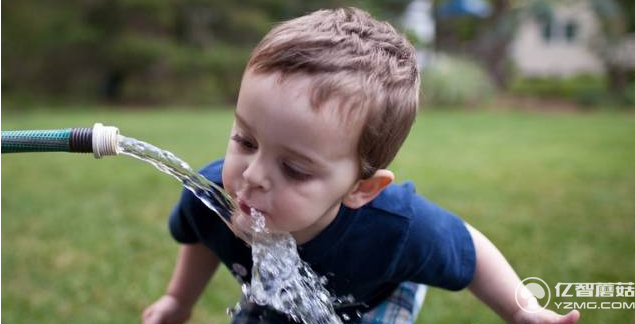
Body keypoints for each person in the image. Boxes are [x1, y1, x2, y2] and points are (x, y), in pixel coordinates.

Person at [142, 7, 581, 324]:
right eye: (245, 140)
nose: (253, 176)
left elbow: (469, 249)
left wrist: (524, 312)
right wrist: (178, 300)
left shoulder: (396, 228)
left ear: (361, 188)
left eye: (294, 169)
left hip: (375, 294)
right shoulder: (213, 194)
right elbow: (202, 236)